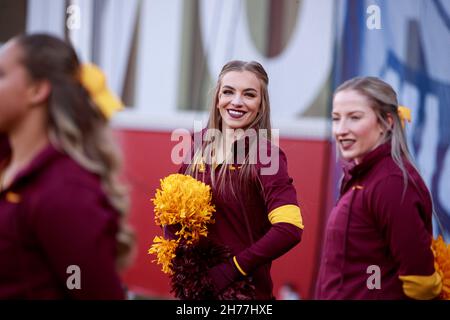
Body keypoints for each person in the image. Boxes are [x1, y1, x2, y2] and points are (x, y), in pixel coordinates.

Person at [0, 33, 134, 299]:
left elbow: (88, 289)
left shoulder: (65, 191)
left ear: (37, 90)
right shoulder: (7, 161)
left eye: (1, 74)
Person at [172, 60, 304, 300]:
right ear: (217, 98)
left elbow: (290, 229)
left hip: (245, 295)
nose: (237, 102)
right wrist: (182, 262)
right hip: (197, 293)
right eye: (228, 92)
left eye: (249, 94)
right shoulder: (197, 146)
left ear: (261, 105)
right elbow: (173, 211)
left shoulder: (266, 156)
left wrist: (233, 269)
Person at [315, 76, 443, 299]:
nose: (341, 129)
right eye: (336, 118)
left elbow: (421, 282)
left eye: (354, 117)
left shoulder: (391, 184)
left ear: (387, 122)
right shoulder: (362, 176)